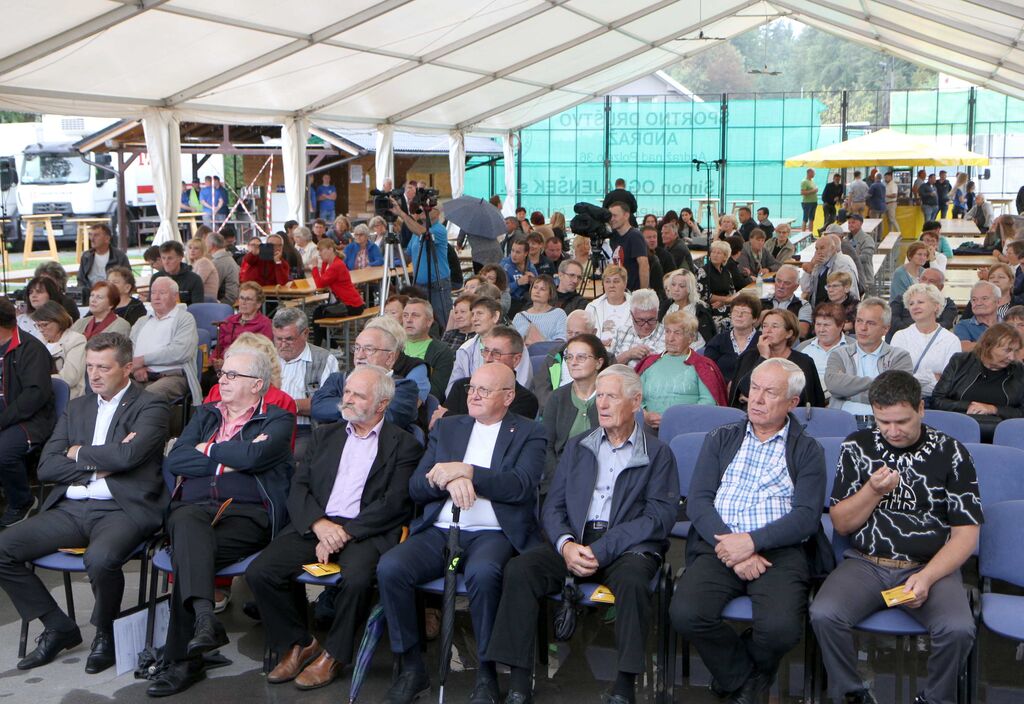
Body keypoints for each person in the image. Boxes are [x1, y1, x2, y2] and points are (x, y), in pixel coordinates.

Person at [490, 364, 676, 704]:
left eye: (612, 397)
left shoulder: (657, 453)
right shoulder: (579, 446)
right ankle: (518, 682)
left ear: (635, 402)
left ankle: (624, 686)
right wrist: (565, 545)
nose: (601, 404)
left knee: (634, 582)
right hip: (575, 540)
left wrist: (604, 549)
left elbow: (659, 517)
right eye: (599, 396)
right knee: (520, 569)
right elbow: (553, 506)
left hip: (626, 546)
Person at [376, 362, 546, 704]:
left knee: (484, 574)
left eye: (485, 390)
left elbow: (520, 486)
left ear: (508, 396)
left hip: (492, 533)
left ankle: (485, 673)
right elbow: (416, 487)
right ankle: (412, 668)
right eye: (472, 388)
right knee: (391, 567)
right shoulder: (449, 427)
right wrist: (448, 480)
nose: (474, 395)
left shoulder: (530, 432)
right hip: (440, 529)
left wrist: (468, 471)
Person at [811, 370, 982, 704]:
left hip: (929, 565)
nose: (892, 431)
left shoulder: (952, 452)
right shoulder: (858, 446)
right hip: (866, 563)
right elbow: (841, 525)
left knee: (958, 629)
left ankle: (934, 699)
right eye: (883, 422)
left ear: (921, 409)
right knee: (824, 614)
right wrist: (872, 492)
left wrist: (927, 577)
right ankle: (852, 693)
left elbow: (966, 535)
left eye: (902, 421)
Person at [0, 332, 167, 674]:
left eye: (103, 367)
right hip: (72, 508)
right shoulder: (77, 407)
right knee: (3, 549)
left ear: (127, 368)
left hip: (122, 509)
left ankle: (105, 631)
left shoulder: (151, 405)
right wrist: (101, 464)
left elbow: (130, 455)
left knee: (101, 559)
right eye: (90, 366)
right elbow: (47, 467)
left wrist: (78, 453)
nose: (94, 375)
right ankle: (57, 626)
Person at [246, 365, 421, 690]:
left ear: (382, 404)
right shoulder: (325, 434)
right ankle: (299, 643)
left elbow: (395, 503)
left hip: (365, 531)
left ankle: (334, 655)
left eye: (358, 395)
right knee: (261, 572)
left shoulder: (404, 445)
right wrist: (319, 524)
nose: (348, 399)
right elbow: (299, 487)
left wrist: (346, 532)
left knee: (356, 580)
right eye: (347, 392)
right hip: (318, 523)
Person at [672, 358, 826, 704]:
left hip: (779, 551)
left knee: (781, 631)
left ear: (792, 403)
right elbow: (698, 502)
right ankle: (746, 678)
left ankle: (736, 674)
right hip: (720, 543)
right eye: (754, 388)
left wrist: (753, 542)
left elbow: (806, 517)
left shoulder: (807, 450)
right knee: (686, 614)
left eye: (770, 392)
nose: (756, 398)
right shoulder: (721, 438)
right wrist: (734, 547)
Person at [146, 344, 294, 697]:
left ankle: (188, 654)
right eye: (222, 373)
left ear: (256, 384)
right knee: (187, 525)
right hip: (195, 509)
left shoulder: (277, 419)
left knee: (188, 551)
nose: (221, 380)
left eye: (232, 375)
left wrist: (208, 450)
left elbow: (256, 456)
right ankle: (201, 623)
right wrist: (233, 460)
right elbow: (176, 460)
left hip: (247, 514)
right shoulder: (206, 414)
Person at [0, 296, 57, 526]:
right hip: (6, 416)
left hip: (30, 419)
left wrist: (2, 420)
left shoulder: (31, 349)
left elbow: (34, 396)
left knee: (3, 452)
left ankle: (22, 502)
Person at [825, 297, 914, 427]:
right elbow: (834, 386)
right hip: (842, 423)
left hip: (884, 425)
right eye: (859, 321)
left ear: (885, 329)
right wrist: (878, 382)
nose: (863, 328)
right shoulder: (839, 354)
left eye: (871, 323)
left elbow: (895, 395)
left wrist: (848, 391)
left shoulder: (900, 357)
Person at [932, 323, 1024, 442]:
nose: (1012, 357)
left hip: (1002, 436)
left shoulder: (1019, 371)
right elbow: (937, 400)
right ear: (987, 346)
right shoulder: (960, 362)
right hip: (958, 432)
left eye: (1015, 351)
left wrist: (994, 409)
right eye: (1007, 350)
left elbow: (1022, 411)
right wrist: (969, 406)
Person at [636, 311, 727, 430]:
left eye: (677, 333)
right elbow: (634, 397)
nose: (670, 338)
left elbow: (708, 402)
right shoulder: (650, 363)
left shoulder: (702, 366)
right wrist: (645, 416)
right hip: (647, 427)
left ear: (691, 338)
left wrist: (679, 419)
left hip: (688, 428)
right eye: (668, 331)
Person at [539, 333, 608, 487]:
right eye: (569, 357)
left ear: (599, 363)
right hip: (560, 479)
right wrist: (559, 479)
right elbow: (546, 446)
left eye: (581, 357)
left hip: (601, 481)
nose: (573, 362)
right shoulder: (557, 397)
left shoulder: (611, 398)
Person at [272, 307, 338, 460]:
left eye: (289, 339)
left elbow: (329, 405)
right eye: (278, 339)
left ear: (306, 333)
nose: (282, 345)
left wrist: (287, 405)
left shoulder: (324, 360)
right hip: (267, 425)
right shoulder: (267, 356)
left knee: (289, 458)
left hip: (306, 429)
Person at [438, 326, 539, 426]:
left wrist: (448, 415)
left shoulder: (525, 400)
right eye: (486, 351)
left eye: (496, 353)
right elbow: (441, 427)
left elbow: (500, 431)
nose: (488, 358)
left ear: (516, 359)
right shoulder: (461, 386)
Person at [730, 308, 826, 410]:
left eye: (774, 326)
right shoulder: (748, 356)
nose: (768, 331)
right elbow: (745, 390)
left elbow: (813, 400)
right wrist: (763, 358)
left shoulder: (803, 362)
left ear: (789, 333)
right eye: (765, 326)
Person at [128, 277, 202, 404]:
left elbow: (180, 352)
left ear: (175, 296)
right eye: (153, 293)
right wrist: (136, 369)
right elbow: (129, 348)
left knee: (148, 396)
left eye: (162, 293)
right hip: (140, 375)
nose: (156, 297)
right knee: (115, 390)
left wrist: (142, 360)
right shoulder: (142, 321)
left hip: (173, 376)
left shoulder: (185, 319)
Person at [889, 283, 962, 398]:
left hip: (938, 402)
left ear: (936, 306)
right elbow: (896, 378)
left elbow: (949, 382)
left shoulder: (951, 340)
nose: (915, 307)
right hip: (905, 400)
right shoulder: (900, 337)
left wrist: (912, 380)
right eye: (911, 303)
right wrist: (933, 377)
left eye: (920, 302)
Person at [449, 299, 533, 396]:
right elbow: (453, 388)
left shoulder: (513, 344)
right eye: (472, 314)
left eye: (479, 313)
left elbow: (523, 382)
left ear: (496, 316)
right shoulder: (465, 349)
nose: (474, 319)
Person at [392, 198, 453, 325]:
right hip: (419, 285)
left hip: (437, 283)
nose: (423, 210)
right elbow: (408, 256)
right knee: (419, 320)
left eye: (428, 208)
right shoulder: (416, 232)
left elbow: (423, 233)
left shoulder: (439, 229)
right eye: (422, 207)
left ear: (437, 213)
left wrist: (402, 214)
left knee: (441, 319)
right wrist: (393, 246)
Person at [532, 310, 598, 410]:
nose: (573, 338)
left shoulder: (604, 358)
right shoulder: (554, 355)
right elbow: (541, 389)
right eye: (569, 333)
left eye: (578, 333)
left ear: (593, 333)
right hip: (557, 409)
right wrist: (555, 409)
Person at [310, 238, 366, 345]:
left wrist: (314, 267)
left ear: (330, 249)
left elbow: (320, 284)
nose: (319, 254)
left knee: (319, 313)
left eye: (321, 250)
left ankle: (327, 346)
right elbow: (324, 279)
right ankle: (330, 346)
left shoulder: (336, 266)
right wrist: (324, 264)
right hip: (353, 303)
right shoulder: (334, 263)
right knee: (319, 313)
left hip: (352, 305)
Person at [402, 297, 455, 401]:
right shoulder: (393, 345)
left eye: (415, 315)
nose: (408, 320)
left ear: (429, 321)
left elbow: (436, 393)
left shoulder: (442, 351)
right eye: (405, 315)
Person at [211, 282, 272, 370]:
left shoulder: (264, 324)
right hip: (222, 366)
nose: (243, 302)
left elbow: (262, 355)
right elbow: (219, 347)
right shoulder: (229, 321)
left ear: (258, 304)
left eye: (248, 299)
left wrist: (228, 363)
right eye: (241, 298)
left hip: (248, 368)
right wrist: (214, 360)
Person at [32, 302, 87, 398]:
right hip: (41, 395)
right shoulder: (39, 340)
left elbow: (69, 378)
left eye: (45, 325)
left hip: (67, 398)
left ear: (59, 321)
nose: (41, 329)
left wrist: (36, 380)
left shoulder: (76, 340)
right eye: (38, 325)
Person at [796, 302, 852, 395]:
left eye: (826, 325)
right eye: (818, 324)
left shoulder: (853, 348)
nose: (821, 330)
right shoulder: (802, 348)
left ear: (841, 326)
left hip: (841, 397)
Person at [704, 296, 761, 382]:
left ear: (755, 318)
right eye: (736, 311)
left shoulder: (763, 340)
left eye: (744, 312)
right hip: (722, 388)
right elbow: (707, 369)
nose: (739, 315)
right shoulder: (718, 340)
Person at [889, 267, 958, 337]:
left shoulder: (947, 304)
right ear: (918, 280)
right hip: (902, 337)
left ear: (941, 287)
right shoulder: (903, 298)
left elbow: (946, 324)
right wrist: (911, 332)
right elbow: (892, 319)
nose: (926, 283)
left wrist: (923, 333)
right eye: (923, 279)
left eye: (931, 281)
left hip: (933, 338)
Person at [606, 288, 665, 369]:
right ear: (631, 315)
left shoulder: (668, 335)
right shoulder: (621, 332)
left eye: (651, 320)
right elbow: (608, 366)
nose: (646, 326)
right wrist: (628, 354)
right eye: (640, 320)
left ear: (657, 313)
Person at [661, 268, 716, 347]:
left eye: (681, 286)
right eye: (673, 285)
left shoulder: (700, 311)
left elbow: (703, 341)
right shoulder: (665, 306)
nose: (676, 289)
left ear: (690, 288)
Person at [801, 234, 860, 307]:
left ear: (833, 249)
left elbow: (848, 292)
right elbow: (805, 288)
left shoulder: (842, 263)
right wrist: (811, 266)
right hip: (818, 309)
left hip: (838, 309)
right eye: (816, 249)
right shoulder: (818, 264)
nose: (818, 252)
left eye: (822, 248)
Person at [77, 224, 131, 303]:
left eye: (96, 235)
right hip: (90, 297)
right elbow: (80, 279)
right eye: (90, 235)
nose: (92, 239)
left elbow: (128, 280)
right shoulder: (86, 256)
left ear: (107, 238)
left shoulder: (119, 257)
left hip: (112, 298)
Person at [585, 265, 632, 349]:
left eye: (616, 281)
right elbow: (584, 335)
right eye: (607, 281)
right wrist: (598, 344)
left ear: (625, 284)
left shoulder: (635, 307)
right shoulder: (592, 307)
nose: (611, 285)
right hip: (597, 350)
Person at [761, 264, 813, 339]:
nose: (781, 286)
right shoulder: (762, 302)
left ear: (796, 287)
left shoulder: (803, 305)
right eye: (778, 281)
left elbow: (802, 332)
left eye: (787, 283)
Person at [512, 275, 567, 345]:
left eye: (542, 289)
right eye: (535, 287)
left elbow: (562, 341)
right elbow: (511, 343)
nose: (537, 291)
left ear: (550, 294)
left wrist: (540, 342)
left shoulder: (559, 314)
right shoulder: (519, 316)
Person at [608, 201, 649, 291]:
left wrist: (643, 292)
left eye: (615, 216)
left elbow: (644, 265)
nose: (612, 219)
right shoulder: (613, 236)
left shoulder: (635, 236)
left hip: (633, 291)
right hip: (620, 290)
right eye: (610, 216)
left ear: (626, 215)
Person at [151, 241, 206, 306]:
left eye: (170, 258)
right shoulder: (156, 278)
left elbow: (197, 308)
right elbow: (151, 304)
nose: (166, 262)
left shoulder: (194, 279)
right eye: (163, 258)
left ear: (180, 258)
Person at [954, 281, 1001, 351]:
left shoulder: (1008, 324)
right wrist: (1001, 346)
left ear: (998, 301)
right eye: (974, 299)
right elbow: (964, 347)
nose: (978, 303)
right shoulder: (963, 325)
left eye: (984, 298)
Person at [699, 239, 738, 322]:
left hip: (726, 305)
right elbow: (704, 295)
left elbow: (732, 293)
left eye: (718, 253)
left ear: (725, 257)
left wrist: (724, 302)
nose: (715, 255)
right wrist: (725, 299)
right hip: (710, 308)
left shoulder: (727, 272)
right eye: (713, 252)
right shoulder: (703, 271)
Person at [500, 239, 538, 312]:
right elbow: (501, 290)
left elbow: (538, 283)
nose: (514, 255)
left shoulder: (529, 265)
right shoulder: (504, 265)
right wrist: (517, 283)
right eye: (512, 250)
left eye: (518, 252)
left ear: (526, 253)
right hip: (511, 301)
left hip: (526, 300)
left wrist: (533, 280)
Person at [843, 214, 877, 293]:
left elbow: (866, 257)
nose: (850, 225)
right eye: (849, 223)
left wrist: (849, 259)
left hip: (865, 279)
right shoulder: (846, 239)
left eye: (853, 222)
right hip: (849, 279)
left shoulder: (867, 239)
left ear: (861, 224)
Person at [206, 231, 240, 306]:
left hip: (224, 301)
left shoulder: (218, 262)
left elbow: (212, 287)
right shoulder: (228, 258)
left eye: (206, 243)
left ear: (212, 245)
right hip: (231, 297)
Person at [186, 236, 220, 303]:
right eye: (190, 248)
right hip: (200, 298)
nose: (192, 251)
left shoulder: (204, 262)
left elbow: (196, 283)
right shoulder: (196, 263)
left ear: (202, 250)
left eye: (196, 248)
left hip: (206, 300)